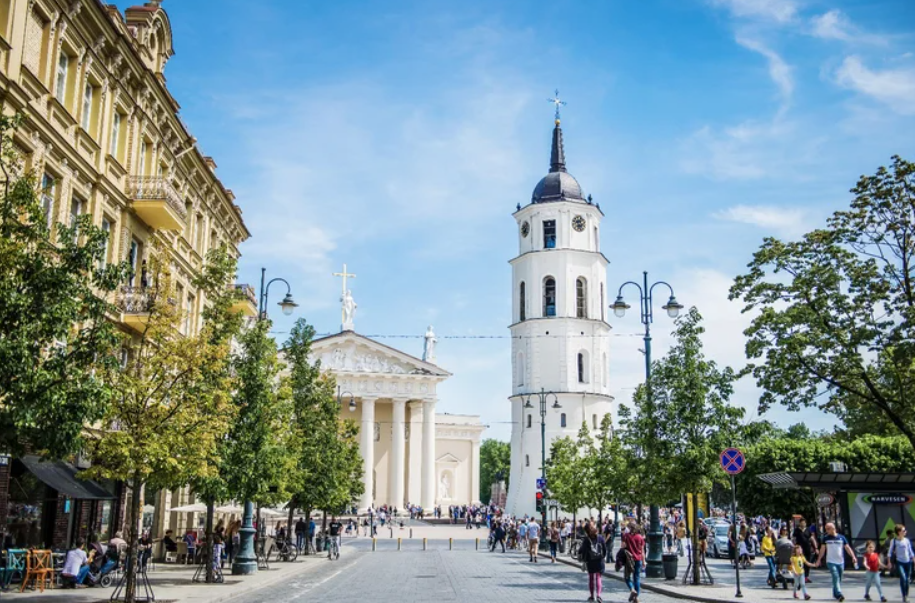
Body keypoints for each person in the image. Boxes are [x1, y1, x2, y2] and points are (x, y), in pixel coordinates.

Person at [816, 522, 858, 602]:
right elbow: (822, 549)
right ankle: (839, 593)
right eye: (826, 529)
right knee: (835, 576)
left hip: (840, 561)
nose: (827, 530)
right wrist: (819, 559)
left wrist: (853, 556)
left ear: (833, 528)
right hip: (830, 561)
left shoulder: (841, 537)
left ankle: (835, 593)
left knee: (839, 578)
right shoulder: (826, 538)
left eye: (828, 529)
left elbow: (847, 548)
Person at [887, 524, 914, 603]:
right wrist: (889, 562)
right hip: (900, 562)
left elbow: (910, 551)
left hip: (908, 562)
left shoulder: (906, 540)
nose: (905, 532)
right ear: (899, 532)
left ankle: (906, 595)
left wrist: (913, 559)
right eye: (903, 530)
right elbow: (889, 552)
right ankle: (903, 596)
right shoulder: (894, 541)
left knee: (907, 579)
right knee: (903, 578)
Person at [582, 524, 606, 603]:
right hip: (599, 560)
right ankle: (598, 595)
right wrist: (603, 556)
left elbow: (583, 551)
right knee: (598, 577)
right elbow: (604, 548)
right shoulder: (600, 537)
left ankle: (592, 596)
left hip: (590, 560)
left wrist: (584, 560)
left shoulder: (586, 539)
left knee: (591, 578)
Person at [623, 522, 644, 603]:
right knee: (637, 578)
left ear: (629, 528)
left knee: (627, 577)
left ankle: (632, 589)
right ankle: (636, 598)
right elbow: (642, 551)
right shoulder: (640, 537)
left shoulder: (626, 536)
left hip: (629, 560)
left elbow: (623, 547)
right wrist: (644, 561)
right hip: (638, 559)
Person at [794, 519, 815, 583]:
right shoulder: (797, 530)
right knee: (800, 563)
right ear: (800, 523)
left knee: (807, 562)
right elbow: (794, 539)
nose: (803, 524)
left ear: (805, 523)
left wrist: (815, 547)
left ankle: (806, 577)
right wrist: (794, 547)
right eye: (802, 523)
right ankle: (800, 576)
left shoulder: (808, 530)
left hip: (807, 548)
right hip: (799, 549)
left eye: (804, 523)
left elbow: (812, 538)